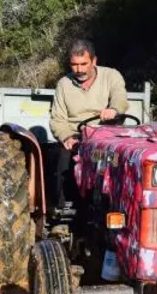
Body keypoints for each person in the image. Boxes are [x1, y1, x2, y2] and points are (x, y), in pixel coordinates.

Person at [48, 39, 129, 212]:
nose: (79, 70)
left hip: (106, 137)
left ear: (94, 61)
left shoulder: (111, 76)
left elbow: (120, 98)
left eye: (84, 64)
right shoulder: (63, 84)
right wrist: (66, 137)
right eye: (74, 65)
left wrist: (113, 110)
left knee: (120, 162)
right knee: (63, 164)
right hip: (77, 137)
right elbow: (57, 119)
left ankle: (120, 203)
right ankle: (63, 208)